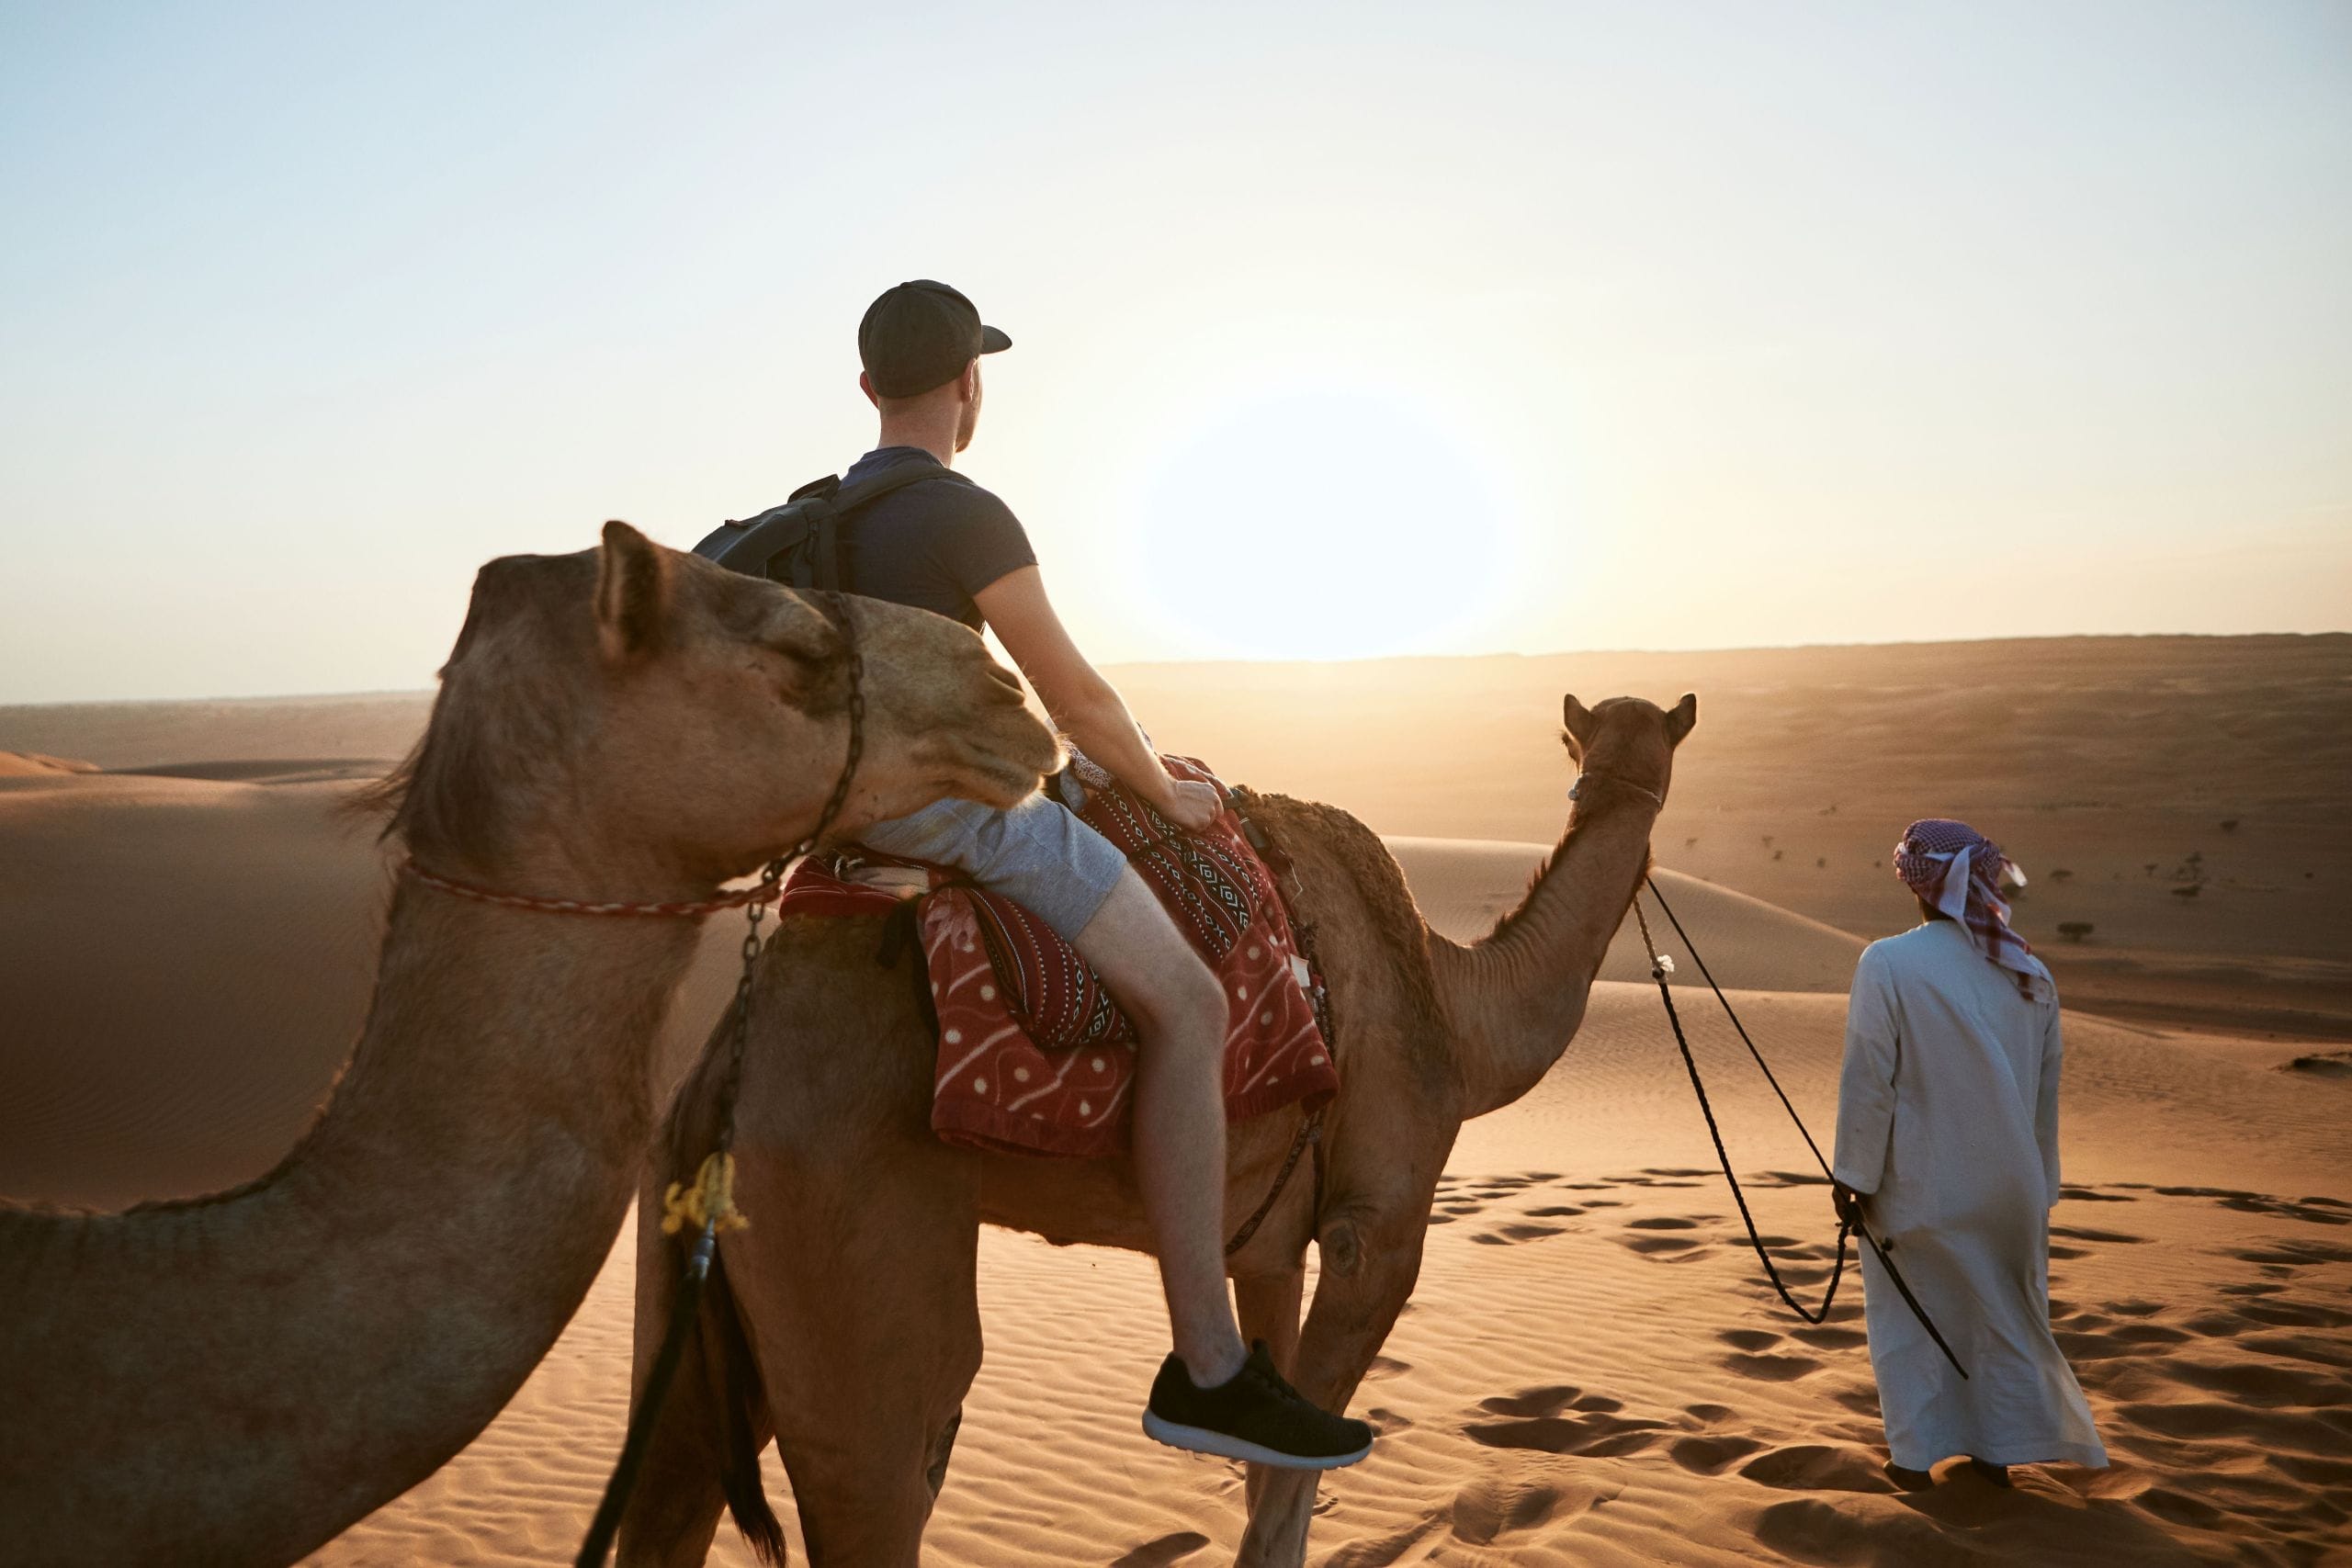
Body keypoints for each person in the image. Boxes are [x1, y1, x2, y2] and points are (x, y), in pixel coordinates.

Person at [820, 279, 1372, 1470]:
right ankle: (1211, 1365)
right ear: (971, 384)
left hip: (834, 829)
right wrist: (1164, 790)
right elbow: (1072, 697)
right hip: (961, 823)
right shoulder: (960, 511)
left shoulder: (815, 520)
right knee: (1192, 1000)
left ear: (868, 388)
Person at [1831, 818, 2108, 1490]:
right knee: (2002, 1319)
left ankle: (1914, 1459)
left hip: (1920, 1187)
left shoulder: (1888, 962)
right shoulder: (2029, 971)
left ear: (1919, 886)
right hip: (2012, 1192)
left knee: (1912, 1320)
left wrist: (1852, 1177)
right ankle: (1996, 1454)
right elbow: (2045, 1099)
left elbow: (1870, 1076)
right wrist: (2038, 1189)